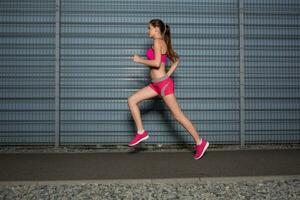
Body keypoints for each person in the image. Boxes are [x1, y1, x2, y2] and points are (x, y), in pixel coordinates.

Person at [127, 19, 209, 160]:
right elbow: (176, 60)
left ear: (156, 29)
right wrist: (166, 76)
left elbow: (157, 63)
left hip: (163, 85)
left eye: (149, 28)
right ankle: (141, 132)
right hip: (156, 84)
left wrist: (140, 60)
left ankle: (200, 142)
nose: (148, 31)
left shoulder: (158, 42)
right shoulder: (162, 42)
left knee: (178, 116)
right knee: (132, 100)